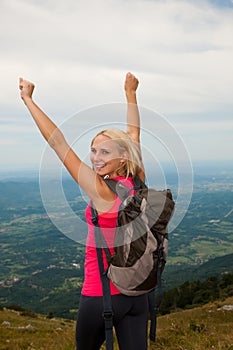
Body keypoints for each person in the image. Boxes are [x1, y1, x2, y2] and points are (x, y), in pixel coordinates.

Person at [19, 72, 148, 350]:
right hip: (138, 296)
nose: (96, 159)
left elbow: (58, 143)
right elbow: (134, 134)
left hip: (101, 297)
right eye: (93, 151)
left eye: (105, 152)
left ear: (122, 156)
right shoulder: (137, 179)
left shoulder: (101, 190)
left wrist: (28, 100)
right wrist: (130, 94)